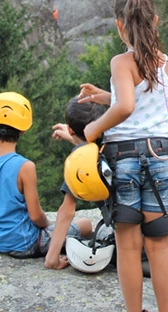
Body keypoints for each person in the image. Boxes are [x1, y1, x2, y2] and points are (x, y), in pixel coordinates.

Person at [78, 0, 168, 312]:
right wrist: (103, 96)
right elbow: (145, 104)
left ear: (120, 25)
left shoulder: (121, 62)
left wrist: (93, 128)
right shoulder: (167, 64)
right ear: (156, 21)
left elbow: (127, 107)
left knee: (130, 245)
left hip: (125, 157)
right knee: (159, 245)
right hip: (161, 154)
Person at [0, 92, 88, 259]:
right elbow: (35, 216)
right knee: (85, 224)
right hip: (23, 243)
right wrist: (48, 225)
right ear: (23, 130)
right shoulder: (24, 167)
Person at [45, 96, 105, 269]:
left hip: (121, 234)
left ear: (70, 129)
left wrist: (52, 258)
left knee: (90, 227)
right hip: (145, 226)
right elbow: (95, 149)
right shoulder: (114, 141)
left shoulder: (80, 161)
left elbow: (67, 210)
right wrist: (75, 139)